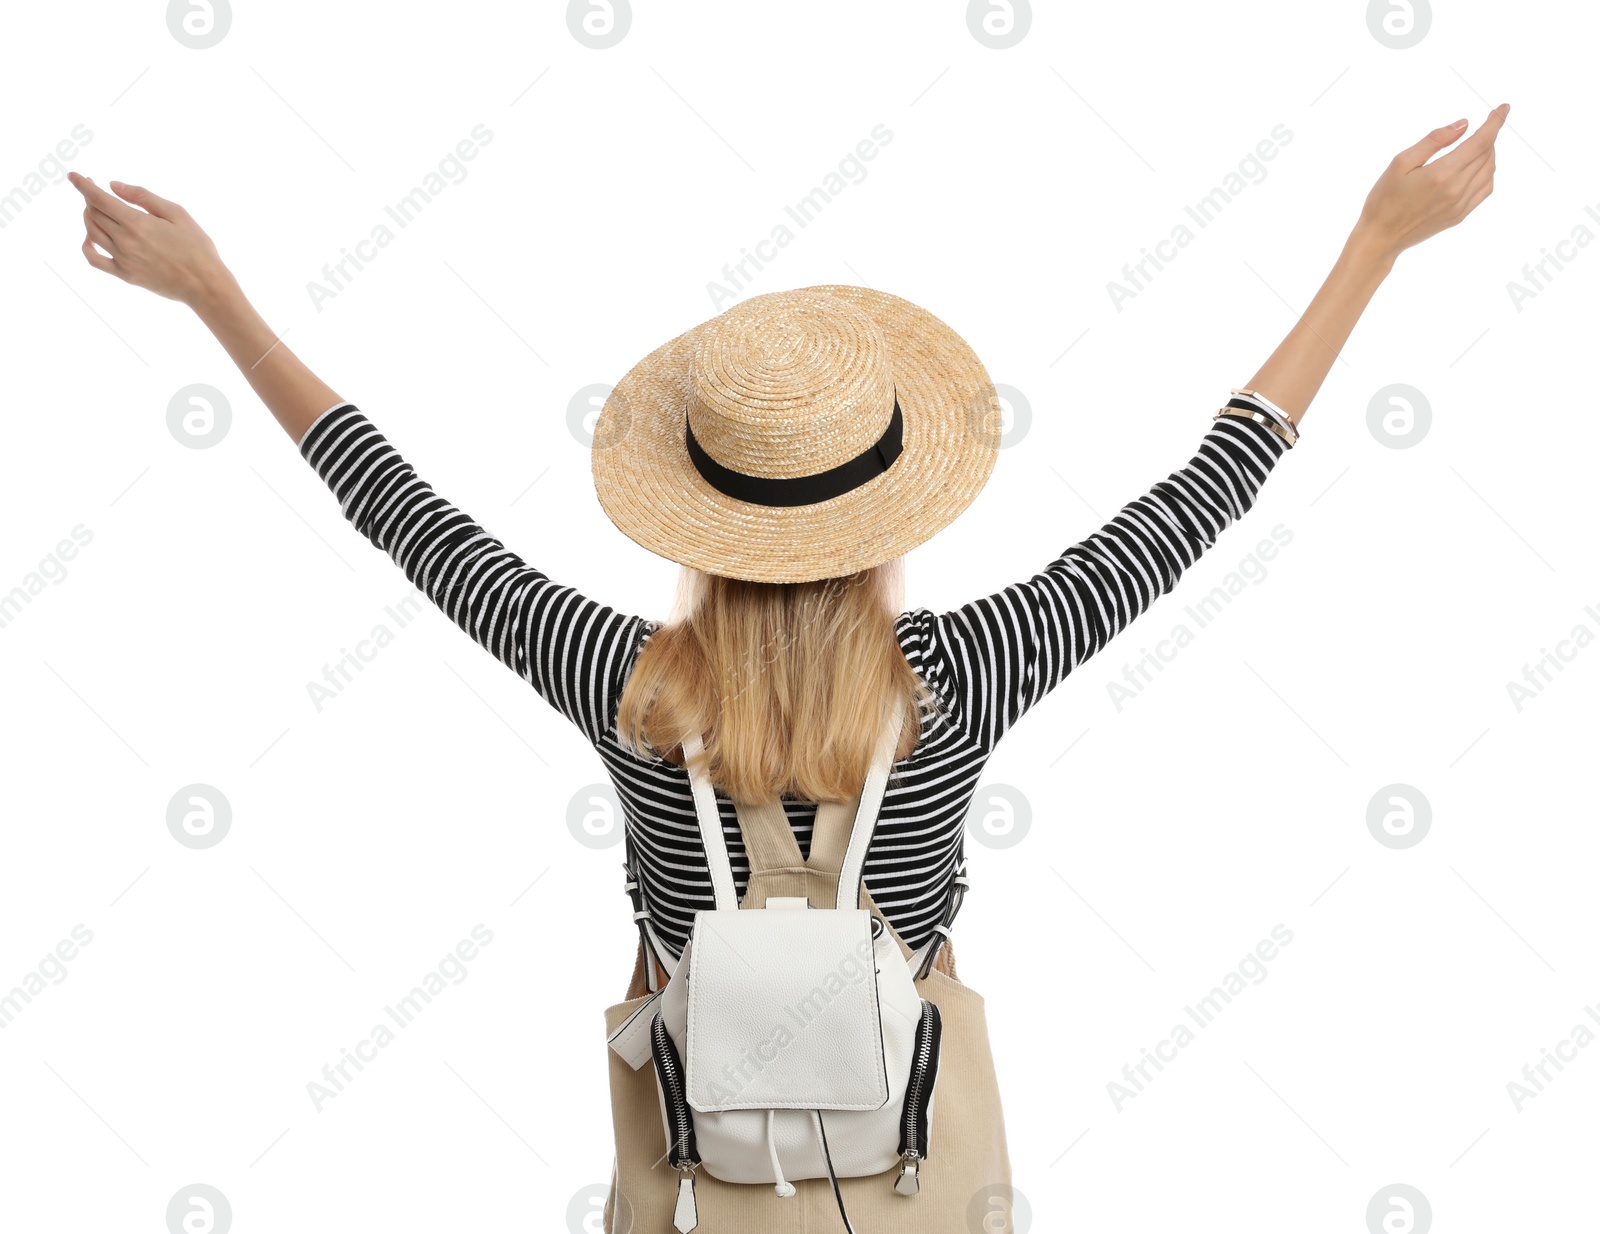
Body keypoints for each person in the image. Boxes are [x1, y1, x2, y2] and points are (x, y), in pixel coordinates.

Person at [66, 103, 1506, 1233]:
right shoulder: (969, 668)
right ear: (889, 510)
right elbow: (1203, 496)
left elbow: (406, 515)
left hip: (703, 1191)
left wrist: (218, 299)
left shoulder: (624, 681)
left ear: (701, 509)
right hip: (924, 1184)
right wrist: (1375, 240)